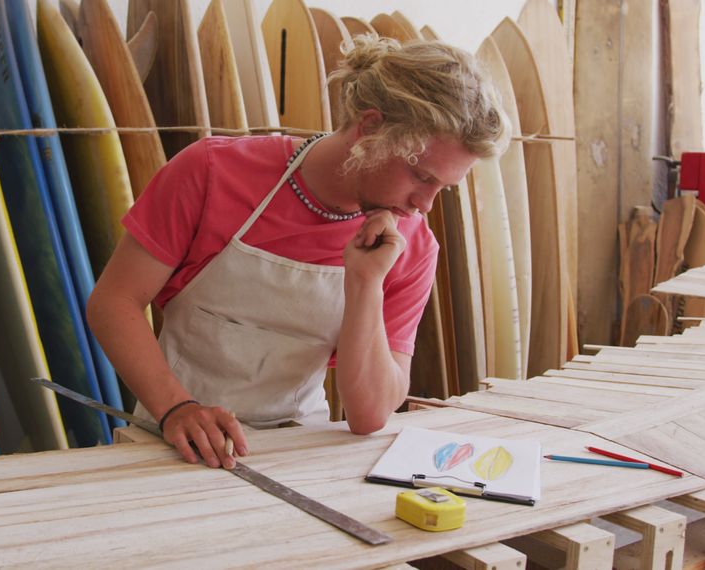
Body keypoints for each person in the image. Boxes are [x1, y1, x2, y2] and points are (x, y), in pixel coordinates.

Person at [87, 35, 509, 469]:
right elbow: (113, 302)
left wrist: (366, 284)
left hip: (298, 451)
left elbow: (369, 415)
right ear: (370, 128)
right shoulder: (213, 172)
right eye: (421, 176)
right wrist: (177, 408)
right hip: (174, 437)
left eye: (443, 188)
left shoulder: (411, 245)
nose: (425, 205)